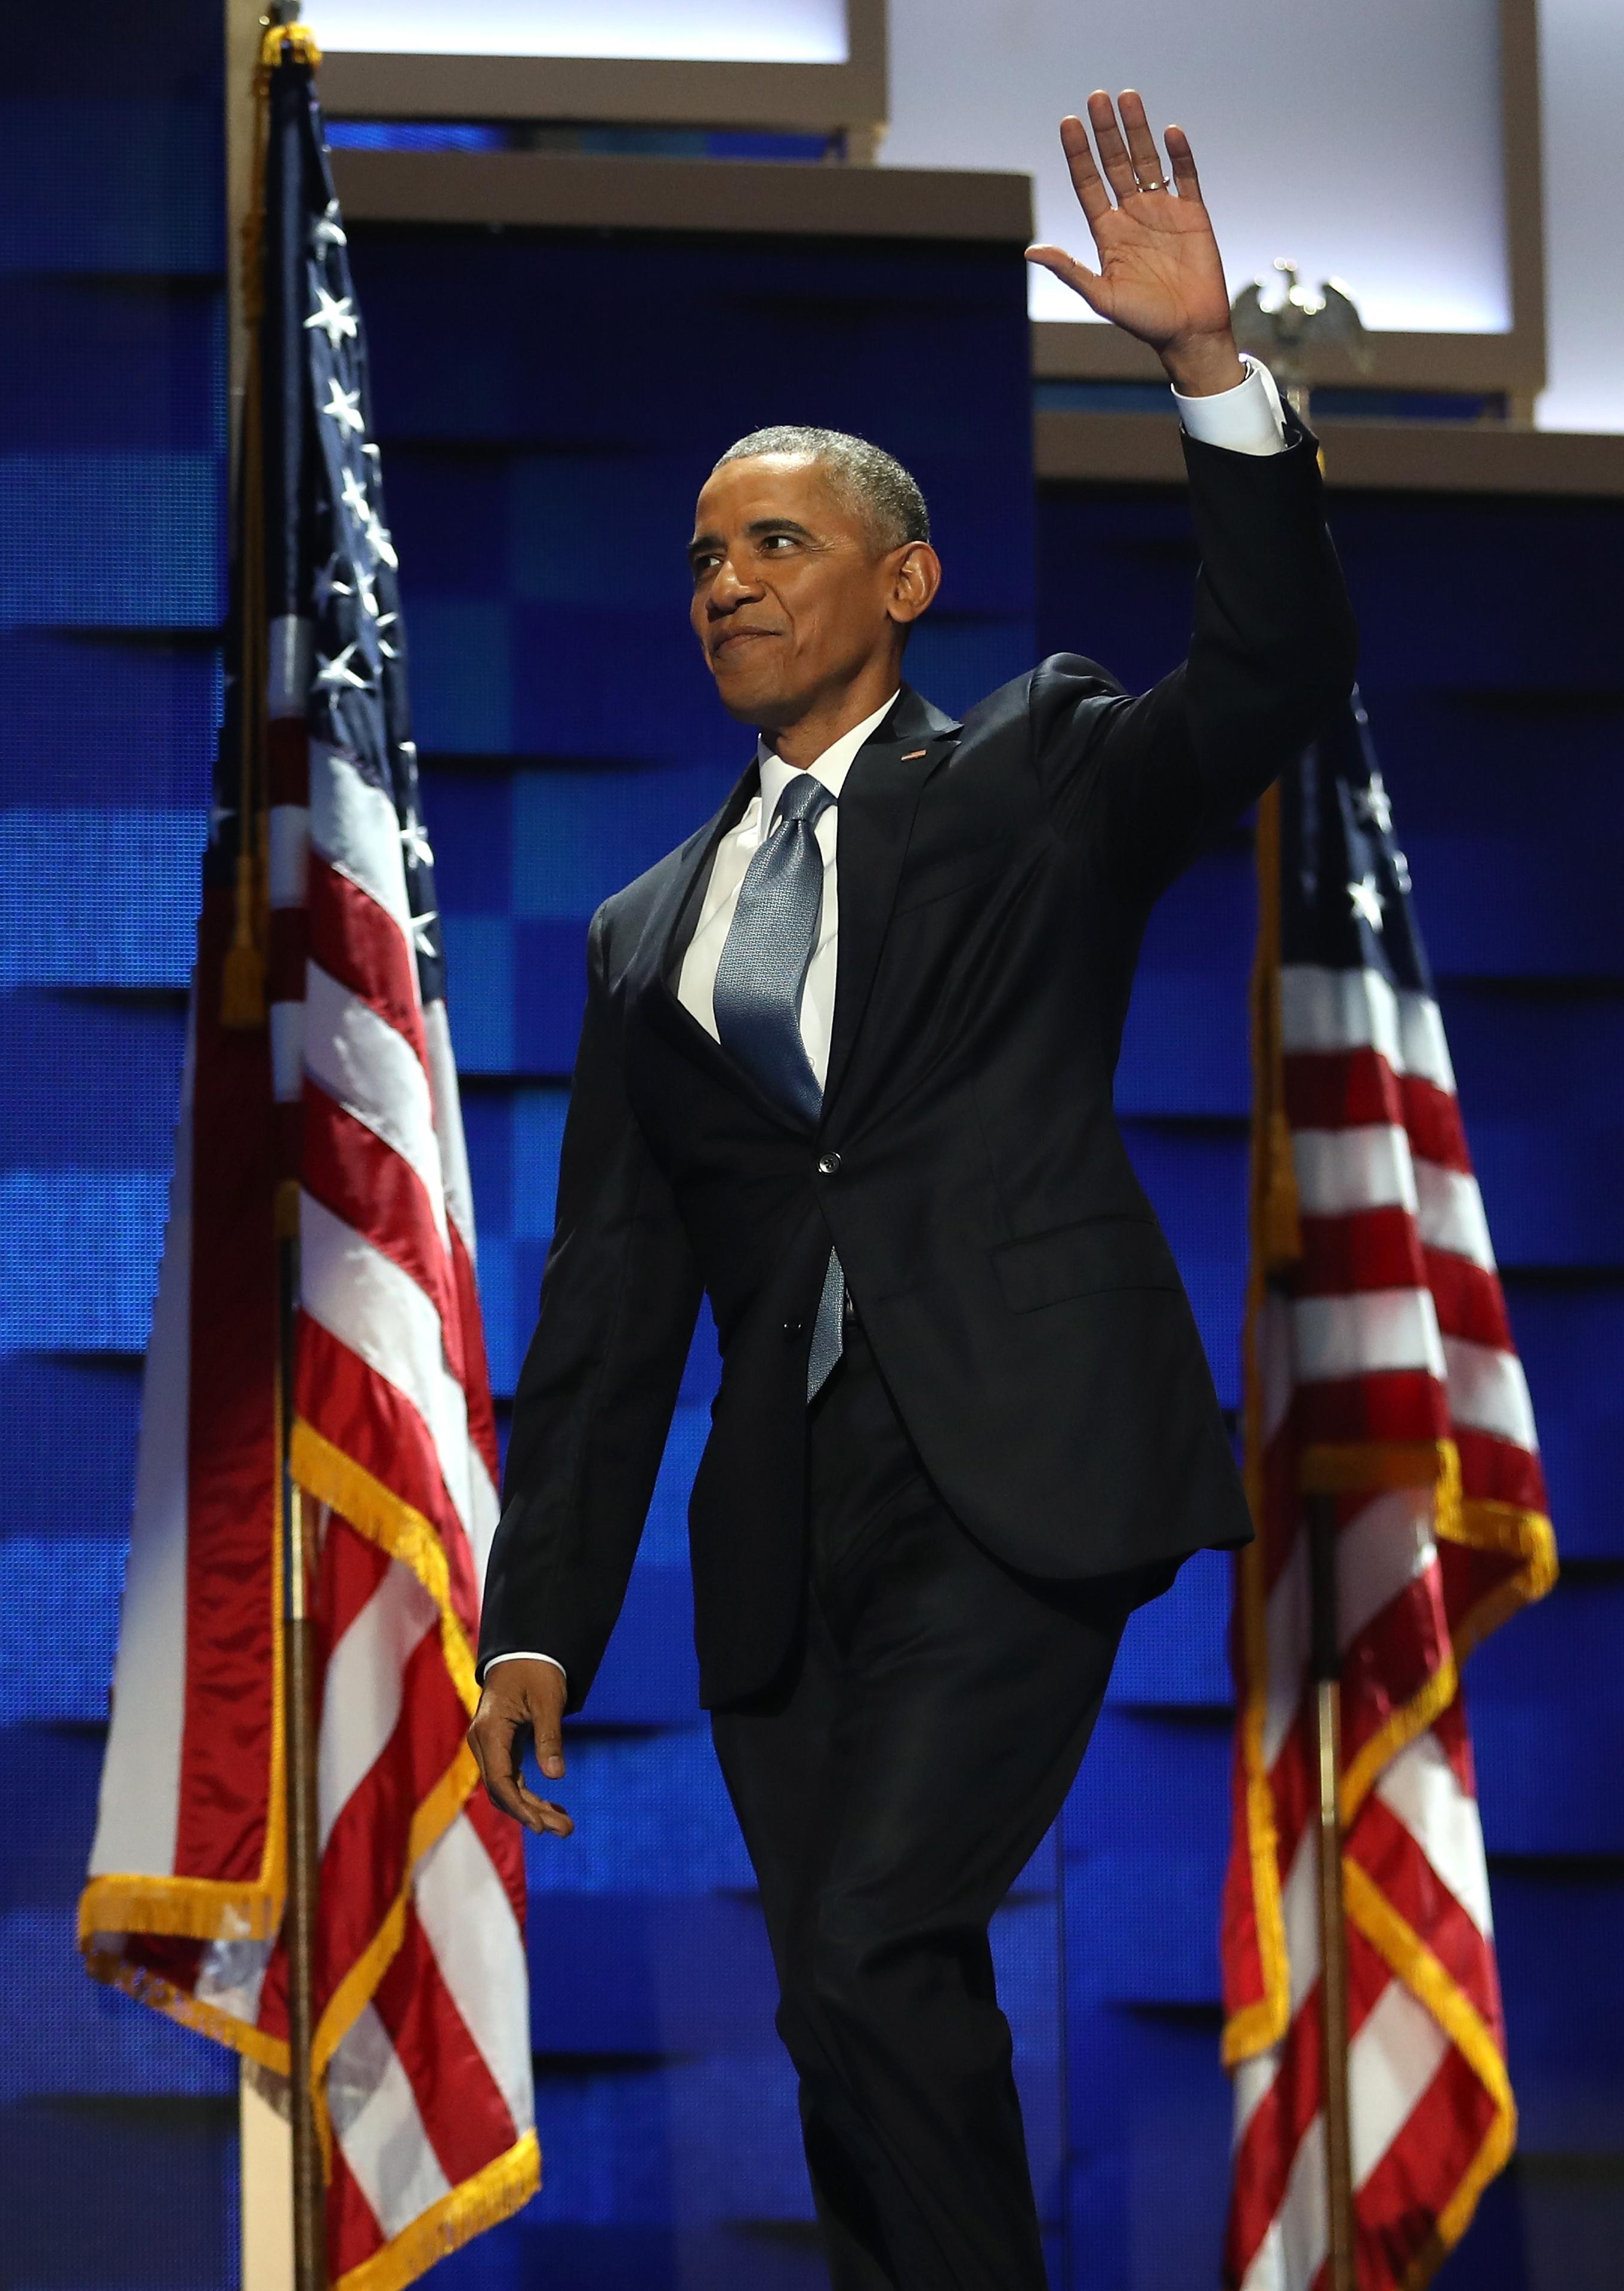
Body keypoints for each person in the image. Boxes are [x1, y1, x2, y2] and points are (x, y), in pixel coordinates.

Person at [466, 91, 1357, 2291]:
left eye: (773, 542)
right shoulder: (647, 930)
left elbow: (1266, 683)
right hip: (785, 1520)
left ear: (902, 579)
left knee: (878, 1939)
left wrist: (1205, 371)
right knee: (840, 2014)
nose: (727, 581)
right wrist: (539, 1613)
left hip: (1018, 1461)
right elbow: (610, 1304)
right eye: (703, 554)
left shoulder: (1039, 770)